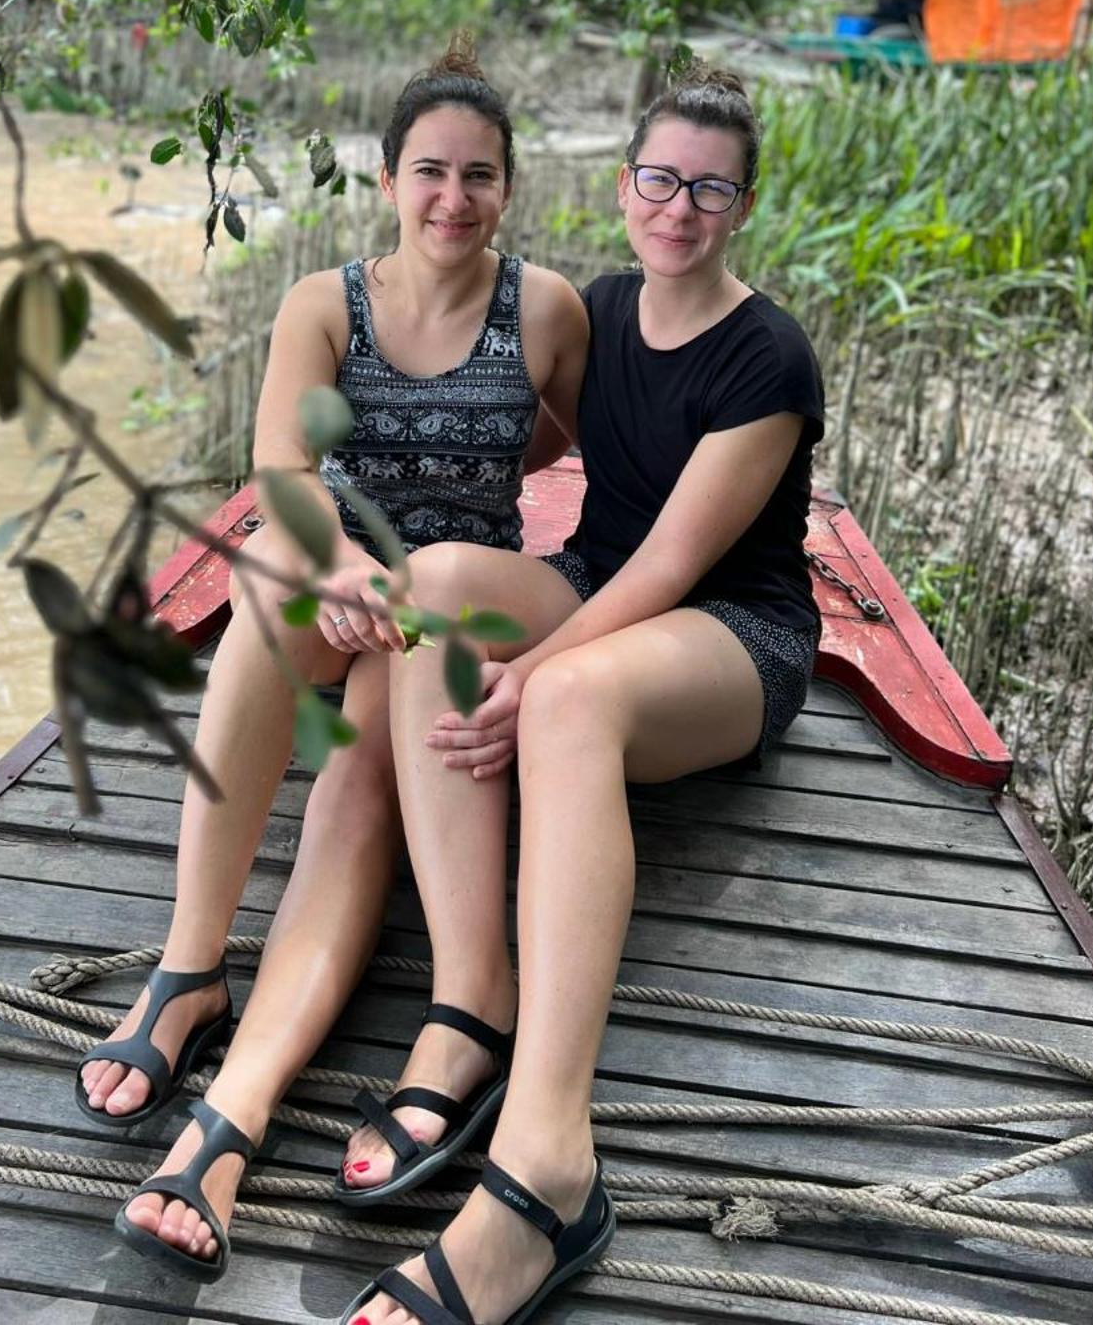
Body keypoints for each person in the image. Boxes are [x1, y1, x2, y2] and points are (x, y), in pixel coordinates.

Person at [80, 37, 588, 1282]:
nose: (452, 200)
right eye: (429, 171)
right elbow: (281, 477)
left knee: (352, 793)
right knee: (262, 591)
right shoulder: (325, 304)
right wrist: (348, 570)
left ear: (509, 186)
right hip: (341, 588)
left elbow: (584, 448)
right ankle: (190, 966)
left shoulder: (547, 309)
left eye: (479, 175)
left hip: (450, 626)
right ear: (386, 175)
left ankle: (224, 1127)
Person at [337, 65, 825, 1325]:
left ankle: (549, 1156)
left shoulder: (768, 355)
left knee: (557, 705)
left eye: (711, 188)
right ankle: (465, 999)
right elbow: (546, 436)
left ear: (742, 207)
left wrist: (532, 671)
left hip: (730, 631)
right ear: (624, 188)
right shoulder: (604, 309)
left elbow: (674, 563)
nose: (680, 207)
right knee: (433, 582)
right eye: (660, 179)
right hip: (595, 581)